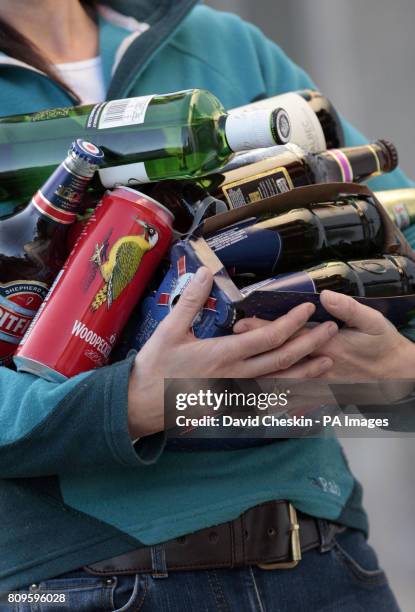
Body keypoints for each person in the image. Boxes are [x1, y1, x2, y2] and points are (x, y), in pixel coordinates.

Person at [0, 1, 414, 610]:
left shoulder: (217, 42)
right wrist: (136, 400)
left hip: (325, 561)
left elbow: (388, 225)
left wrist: (399, 376)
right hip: (81, 579)